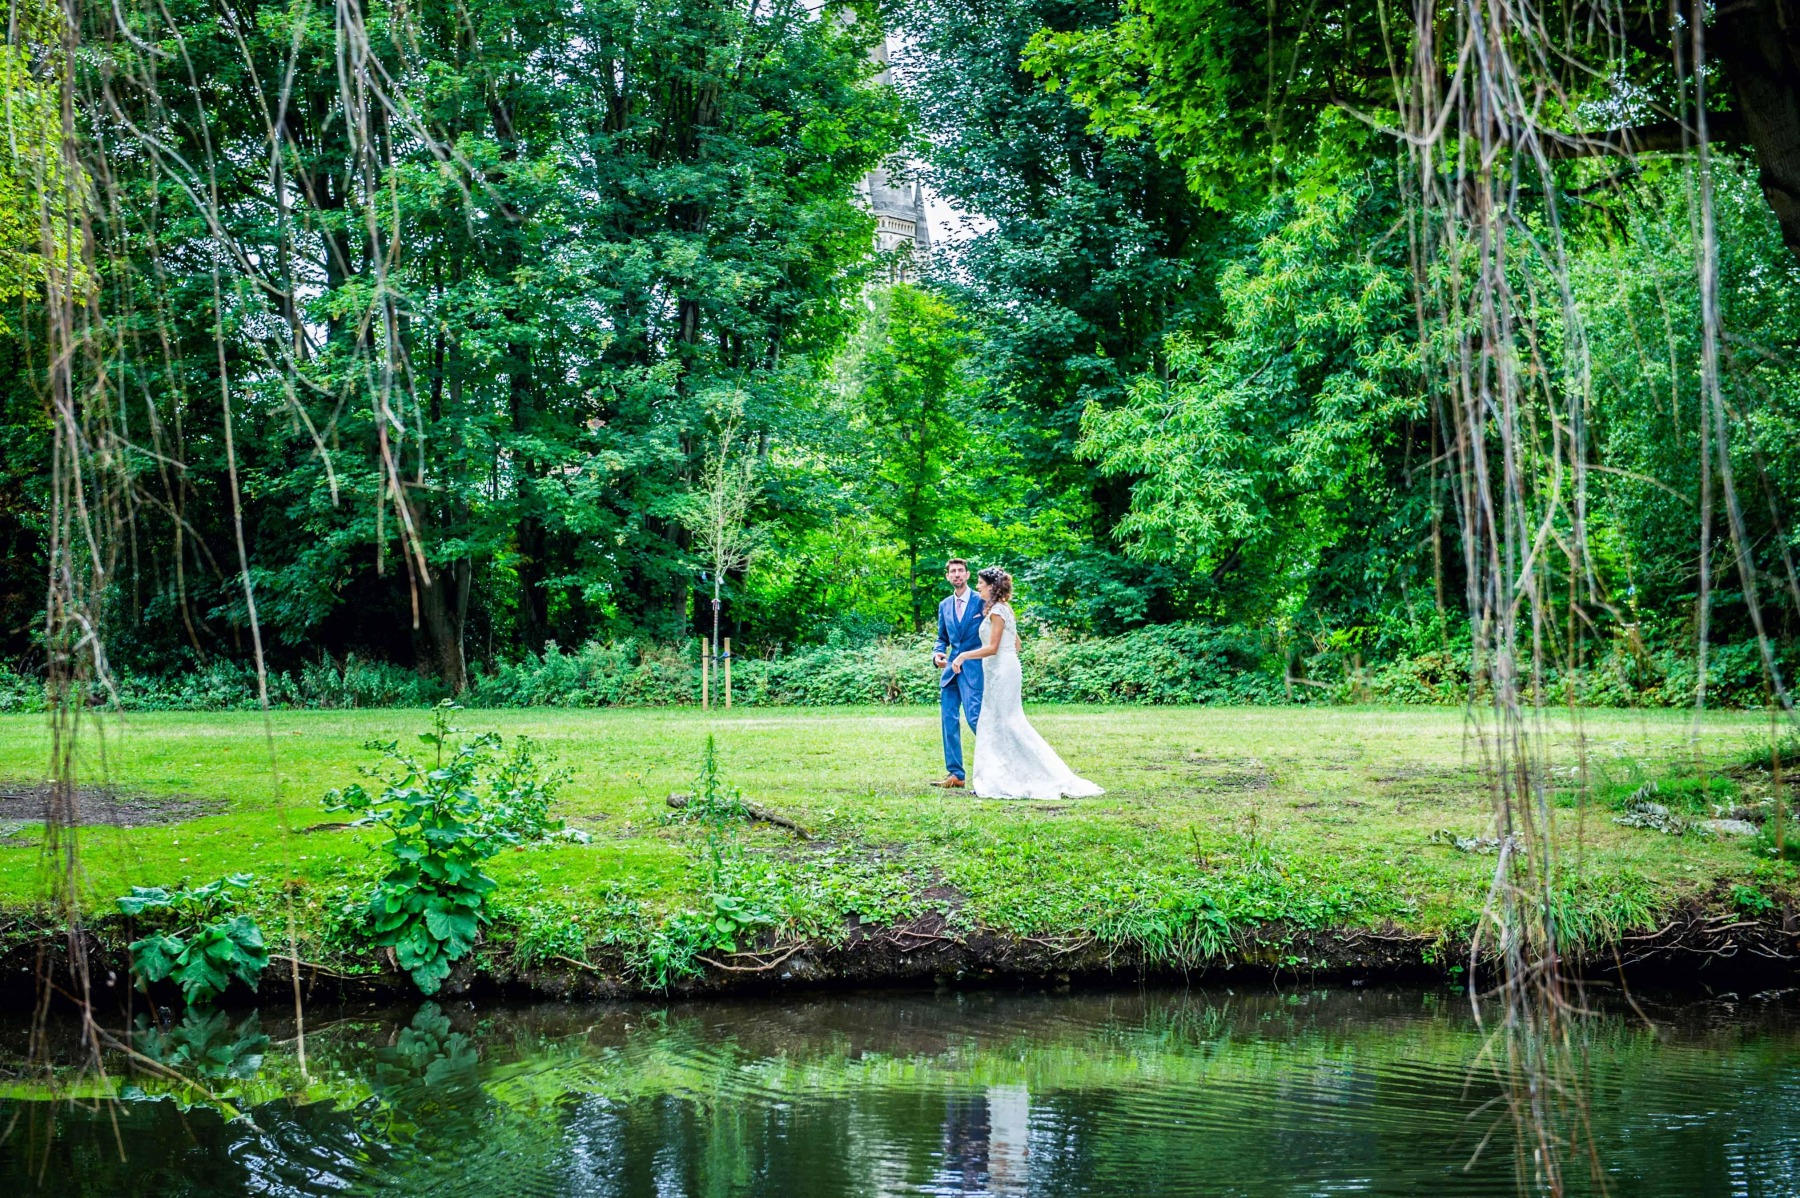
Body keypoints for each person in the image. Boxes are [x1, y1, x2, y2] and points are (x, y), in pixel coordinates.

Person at [950, 566, 1103, 800]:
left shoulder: (998, 612)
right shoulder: (1003, 609)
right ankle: (998, 777)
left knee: (1006, 723)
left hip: (1002, 672)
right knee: (997, 722)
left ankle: (1023, 777)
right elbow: (1016, 644)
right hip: (1001, 670)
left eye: (981, 583)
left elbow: (992, 648)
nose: (978, 587)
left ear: (991, 586)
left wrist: (963, 656)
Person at [932, 558, 985, 788]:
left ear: (967, 574)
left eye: (960, 571)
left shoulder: (981, 600)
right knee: (948, 720)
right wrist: (937, 654)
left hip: (974, 669)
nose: (956, 575)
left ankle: (996, 765)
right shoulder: (944, 605)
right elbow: (942, 638)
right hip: (950, 671)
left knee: (975, 718)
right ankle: (956, 774)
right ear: (947, 576)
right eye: (952, 571)